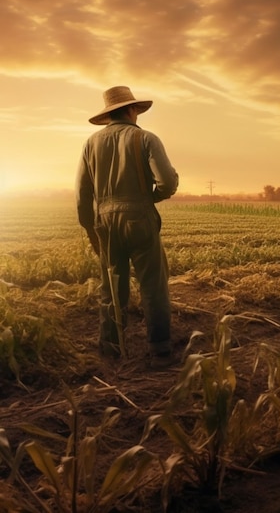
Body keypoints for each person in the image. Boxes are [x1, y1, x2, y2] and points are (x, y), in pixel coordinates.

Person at [76, 86, 179, 369]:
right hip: (139, 218)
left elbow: (83, 194)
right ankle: (160, 349)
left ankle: (111, 348)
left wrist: (91, 227)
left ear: (109, 113)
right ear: (133, 109)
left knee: (112, 285)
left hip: (104, 222)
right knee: (153, 286)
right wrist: (148, 198)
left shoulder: (90, 143)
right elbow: (167, 183)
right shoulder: (145, 138)